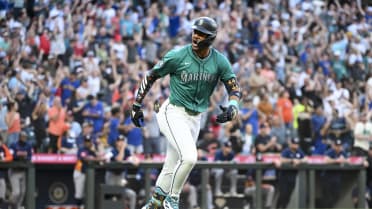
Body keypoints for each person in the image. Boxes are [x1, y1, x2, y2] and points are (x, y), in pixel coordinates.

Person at [131, 16, 241, 209]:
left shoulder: (219, 61)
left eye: (201, 34)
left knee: (172, 164)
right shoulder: (178, 55)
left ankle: (155, 203)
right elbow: (151, 75)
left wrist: (233, 106)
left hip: (195, 118)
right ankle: (172, 199)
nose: (196, 36)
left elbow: (234, 88)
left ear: (211, 38)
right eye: (194, 32)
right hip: (172, 112)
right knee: (190, 157)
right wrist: (137, 105)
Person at [104, 135, 138, 209]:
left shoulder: (127, 150)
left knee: (132, 194)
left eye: (123, 141)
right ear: (116, 142)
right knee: (113, 197)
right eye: (119, 141)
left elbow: (136, 161)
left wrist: (132, 159)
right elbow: (119, 159)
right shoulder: (113, 151)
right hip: (112, 178)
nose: (121, 143)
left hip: (121, 178)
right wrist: (122, 148)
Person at [275, 137, 306, 209]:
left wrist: (299, 161)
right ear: (291, 144)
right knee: (283, 195)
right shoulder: (287, 151)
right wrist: (292, 160)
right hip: (284, 177)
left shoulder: (299, 151)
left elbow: (305, 158)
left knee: (288, 195)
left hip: (293, 177)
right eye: (294, 144)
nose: (295, 145)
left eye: (297, 144)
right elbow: (281, 159)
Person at [320, 139, 348, 208]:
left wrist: (344, 160)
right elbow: (325, 160)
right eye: (337, 146)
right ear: (334, 146)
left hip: (337, 178)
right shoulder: (330, 152)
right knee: (327, 196)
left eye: (339, 146)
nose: (338, 148)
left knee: (337, 195)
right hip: (327, 177)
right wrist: (336, 160)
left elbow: (348, 160)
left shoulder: (343, 153)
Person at [9, 131, 32, 209]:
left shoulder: (28, 145)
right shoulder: (13, 145)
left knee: (22, 192)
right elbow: (11, 155)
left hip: (23, 171)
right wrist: (19, 155)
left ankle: (17, 207)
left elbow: (30, 156)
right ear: (19, 137)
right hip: (14, 171)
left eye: (25, 137)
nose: (24, 138)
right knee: (16, 192)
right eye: (22, 137)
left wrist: (24, 156)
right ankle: (10, 205)